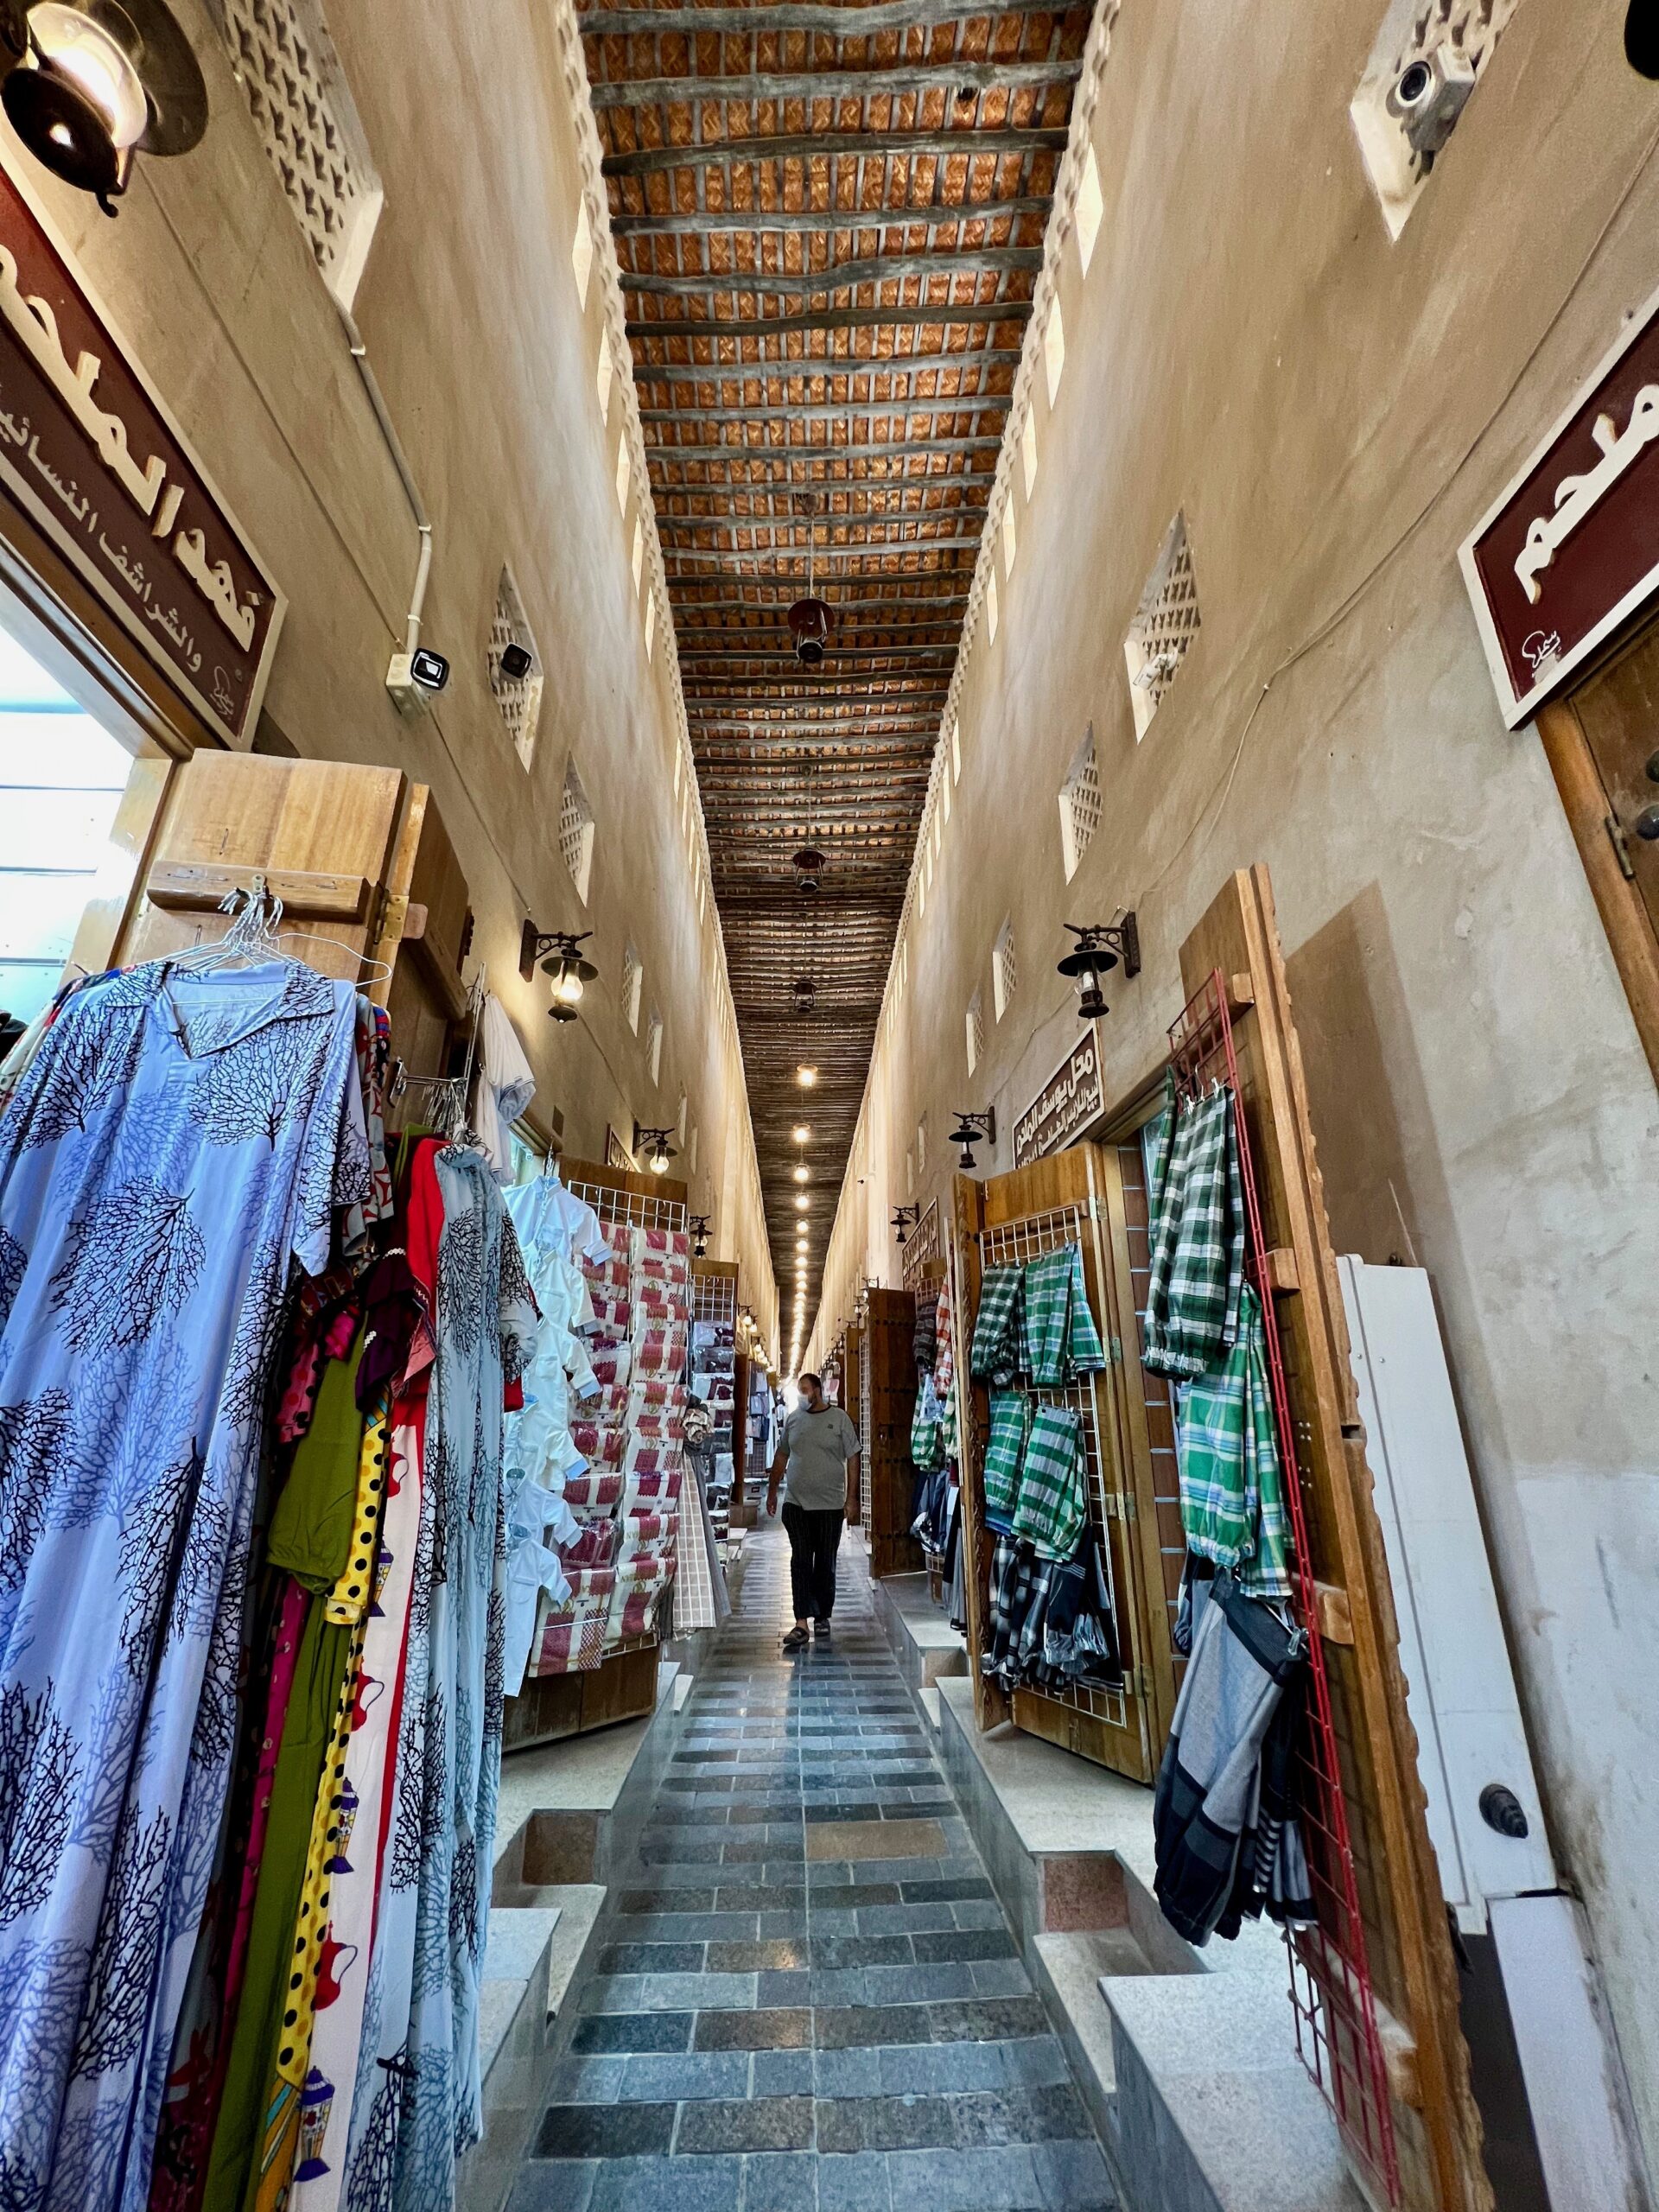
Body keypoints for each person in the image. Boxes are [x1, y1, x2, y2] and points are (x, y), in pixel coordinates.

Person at [766, 1372, 861, 1649]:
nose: (803, 1395)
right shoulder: (794, 1420)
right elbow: (782, 1455)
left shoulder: (840, 1419)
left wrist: (852, 1499)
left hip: (830, 1507)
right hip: (796, 1504)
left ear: (818, 1390)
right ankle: (801, 1622)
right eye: (800, 1391)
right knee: (800, 1560)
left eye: (806, 1390)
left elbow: (853, 1457)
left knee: (825, 1563)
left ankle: (822, 1614)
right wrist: (773, 1491)